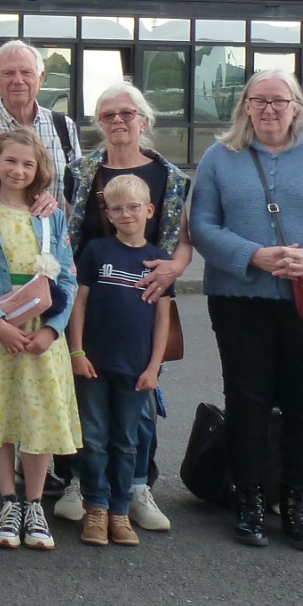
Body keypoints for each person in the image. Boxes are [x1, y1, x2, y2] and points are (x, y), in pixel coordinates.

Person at [189, 72, 303, 552]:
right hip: (239, 297)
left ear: (297, 106)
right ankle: (248, 498)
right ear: (244, 106)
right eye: (259, 101)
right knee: (246, 400)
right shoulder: (219, 156)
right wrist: (252, 255)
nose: (269, 109)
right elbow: (203, 227)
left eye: (279, 101)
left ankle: (298, 504)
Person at [56, 81, 194, 532]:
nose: (119, 121)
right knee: (88, 402)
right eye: (109, 114)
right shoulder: (81, 171)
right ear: (99, 123)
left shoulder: (169, 177)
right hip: (89, 297)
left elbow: (181, 242)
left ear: (144, 121)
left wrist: (171, 271)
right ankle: (85, 483)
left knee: (140, 399)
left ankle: (135, 486)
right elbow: (68, 233)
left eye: (127, 113)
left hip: (145, 297)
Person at [0, 128, 80, 552]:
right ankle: (7, 501)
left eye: (27, 164)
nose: (18, 170)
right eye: (10, 161)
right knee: (3, 413)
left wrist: (53, 328)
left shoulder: (51, 214)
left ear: (39, 169)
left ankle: (34, 504)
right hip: (2, 330)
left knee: (39, 415)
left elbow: (67, 277)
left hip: (42, 333)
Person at [67, 175, 173, 548]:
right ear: (107, 214)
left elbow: (163, 318)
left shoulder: (160, 261)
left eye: (133, 207)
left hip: (136, 368)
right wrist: (76, 351)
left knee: (127, 441)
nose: (125, 214)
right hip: (92, 363)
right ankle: (95, 507)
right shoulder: (96, 251)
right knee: (93, 438)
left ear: (149, 210)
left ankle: (120, 510)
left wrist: (153, 367)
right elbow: (78, 304)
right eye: (117, 209)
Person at [0, 40, 81, 201]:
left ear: (41, 78)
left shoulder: (64, 127)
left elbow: (79, 192)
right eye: (8, 73)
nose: (18, 80)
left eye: (26, 72)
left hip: (54, 226)